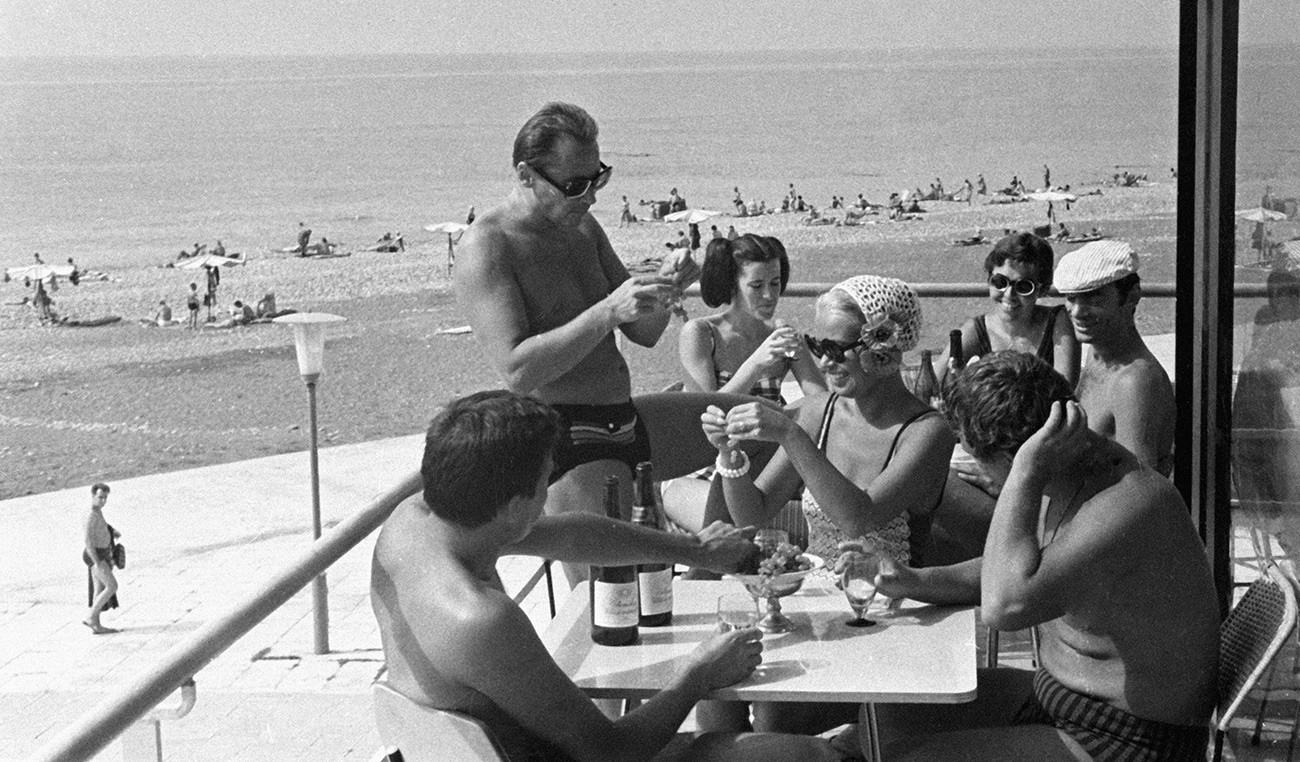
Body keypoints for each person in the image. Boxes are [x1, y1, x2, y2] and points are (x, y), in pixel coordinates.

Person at [370, 391, 839, 762]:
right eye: (546, 482)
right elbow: (613, 752)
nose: (553, 491)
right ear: (515, 508)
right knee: (811, 754)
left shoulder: (415, 523)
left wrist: (694, 550)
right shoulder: (481, 620)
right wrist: (698, 672)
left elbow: (569, 536)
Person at [861, 351, 1217, 761]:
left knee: (903, 758)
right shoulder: (1074, 473)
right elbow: (1013, 572)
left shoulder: (1127, 502)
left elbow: (1004, 604)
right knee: (887, 717)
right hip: (1062, 702)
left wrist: (1024, 474)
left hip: (1126, 741)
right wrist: (913, 581)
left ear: (1015, 458)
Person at [455, 102, 750, 585]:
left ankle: (712, 566)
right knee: (614, 596)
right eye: (576, 185)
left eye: (600, 178)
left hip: (624, 416)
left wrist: (664, 286)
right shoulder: (488, 245)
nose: (590, 196)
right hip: (565, 435)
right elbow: (518, 369)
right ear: (526, 174)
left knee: (762, 429)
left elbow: (643, 333)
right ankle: (699, 565)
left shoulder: (582, 228)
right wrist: (608, 310)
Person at [697, 275, 954, 734]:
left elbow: (858, 517)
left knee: (772, 710)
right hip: (815, 608)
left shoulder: (926, 432)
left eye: (838, 348)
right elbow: (753, 515)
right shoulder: (821, 411)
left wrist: (791, 434)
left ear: (885, 345)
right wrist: (728, 455)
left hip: (889, 613)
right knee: (713, 688)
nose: (824, 360)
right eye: (818, 345)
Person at [667, 235, 826, 531]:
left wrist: (803, 353)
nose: (769, 296)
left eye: (775, 284)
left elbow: (822, 404)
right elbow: (705, 415)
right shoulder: (701, 333)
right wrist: (755, 365)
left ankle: (707, 573)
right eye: (757, 286)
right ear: (733, 285)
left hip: (767, 467)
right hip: (709, 465)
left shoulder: (781, 335)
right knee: (734, 516)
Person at [1056, 240, 1175, 476]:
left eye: (1093, 297)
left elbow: (1139, 491)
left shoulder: (1135, 382)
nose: (1077, 311)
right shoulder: (1097, 352)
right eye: (1071, 298)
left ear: (1132, 296)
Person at [940, 232, 1080, 388]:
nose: (1009, 294)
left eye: (1024, 287)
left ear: (1043, 290)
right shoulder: (977, 329)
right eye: (1000, 282)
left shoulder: (1057, 322)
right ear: (989, 281)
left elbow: (1065, 391)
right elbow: (932, 384)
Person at [1232, 267, 1300, 553]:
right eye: (1280, 294)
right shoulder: (1264, 351)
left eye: (1293, 292)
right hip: (1271, 463)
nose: (1286, 301)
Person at [83, 483, 121, 634]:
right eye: (100, 497)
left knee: (98, 591)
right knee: (112, 586)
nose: (103, 501)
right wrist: (97, 563)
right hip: (96, 556)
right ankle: (91, 617)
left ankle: (97, 626)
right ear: (93, 496)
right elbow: (88, 542)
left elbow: (101, 527)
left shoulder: (97, 510)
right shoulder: (91, 514)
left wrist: (112, 531)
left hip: (101, 554)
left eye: (105, 498)